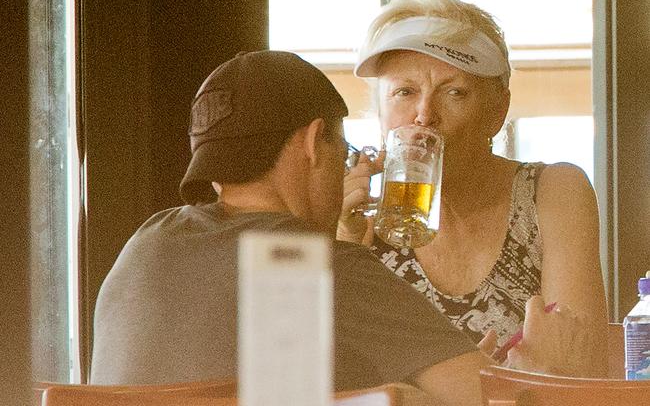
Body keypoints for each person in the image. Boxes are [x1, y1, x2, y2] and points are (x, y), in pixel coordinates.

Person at [90, 50, 580, 405]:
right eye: (343, 153)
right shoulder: (313, 265)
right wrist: (541, 371)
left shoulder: (145, 244)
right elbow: (492, 400)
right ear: (312, 143)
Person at [337, 0, 608, 377]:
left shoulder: (552, 192)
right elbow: (336, 381)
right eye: (404, 92)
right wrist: (342, 247)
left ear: (498, 111)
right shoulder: (356, 222)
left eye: (454, 93)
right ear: (379, 113)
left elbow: (583, 369)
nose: (424, 115)